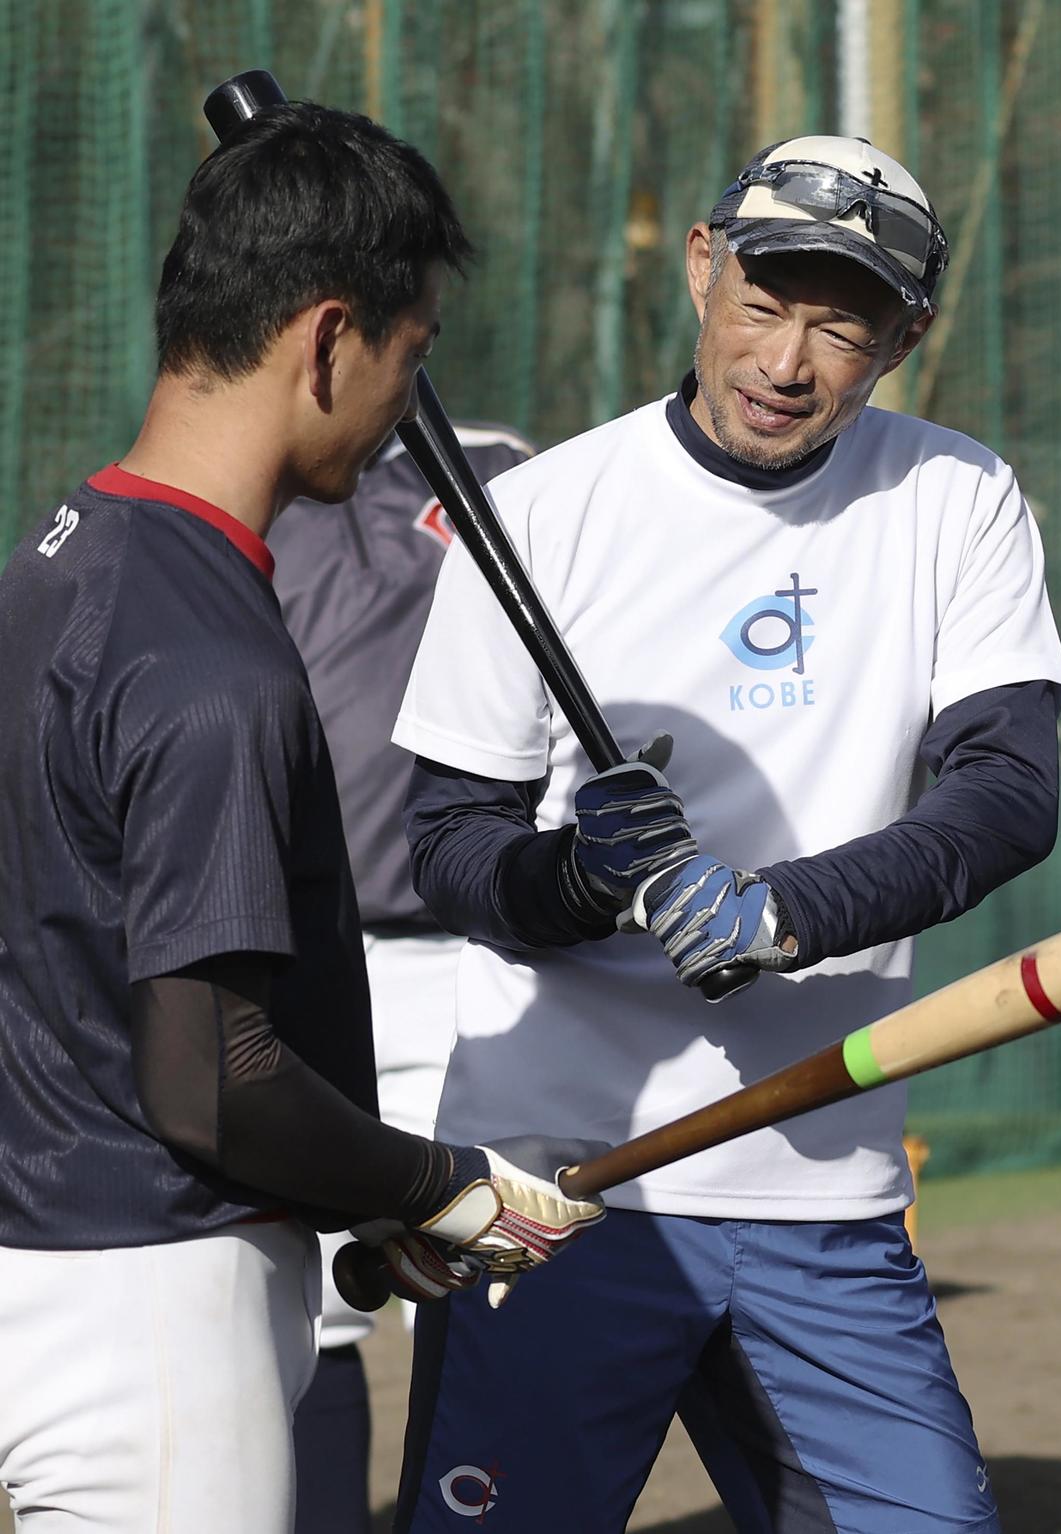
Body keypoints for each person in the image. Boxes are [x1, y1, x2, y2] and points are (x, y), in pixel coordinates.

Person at [390, 135, 1061, 1533]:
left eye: (843, 326)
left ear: (903, 339)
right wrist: (576, 879)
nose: (787, 360)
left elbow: (1006, 791)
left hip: (820, 1185)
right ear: (704, 268)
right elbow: (450, 845)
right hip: (557, 1182)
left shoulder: (958, 498)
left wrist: (782, 913)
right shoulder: (539, 513)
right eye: (764, 301)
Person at [0, 101, 602, 1534]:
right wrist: (440, 1182)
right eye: (411, 351)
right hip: (149, 1314)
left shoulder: (47, 567)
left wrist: (378, 1198)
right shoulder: (212, 662)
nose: (409, 398)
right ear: (329, 338)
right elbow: (213, 1080)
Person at [268, 419, 534, 1534]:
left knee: (474, 1289)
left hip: (465, 959)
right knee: (311, 1307)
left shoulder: (495, 466)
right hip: (291, 958)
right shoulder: (248, 475)